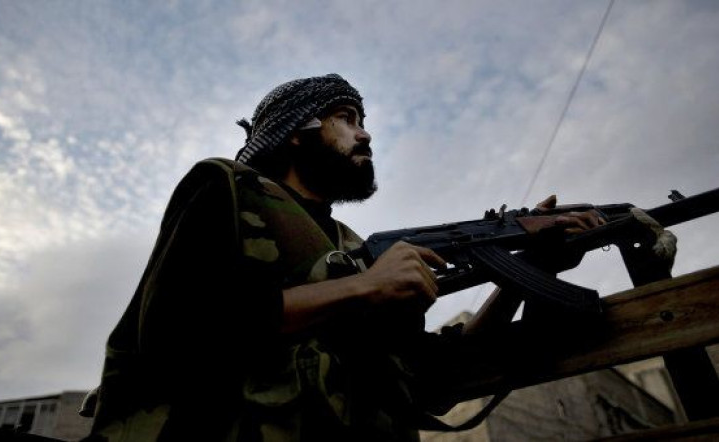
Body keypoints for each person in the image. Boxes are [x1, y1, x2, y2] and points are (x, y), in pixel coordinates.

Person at [82, 73, 603, 442]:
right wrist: (363, 288)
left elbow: (430, 382)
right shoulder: (228, 188)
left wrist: (525, 272)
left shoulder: (356, 248)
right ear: (296, 131)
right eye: (345, 118)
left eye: (362, 120)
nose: (365, 132)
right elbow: (175, 332)